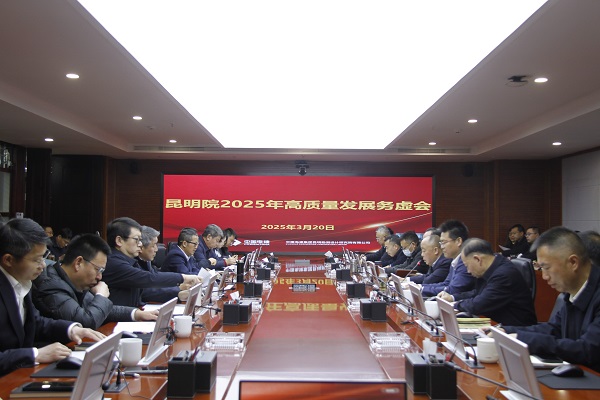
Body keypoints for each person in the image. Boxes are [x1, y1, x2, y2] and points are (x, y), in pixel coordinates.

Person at [0, 218, 105, 377]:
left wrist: (72, 330)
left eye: (44, 257)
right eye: (37, 260)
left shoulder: (21, 281)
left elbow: (34, 322)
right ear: (8, 260)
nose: (43, 265)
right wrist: (35, 354)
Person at [503, 227, 600, 371]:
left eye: (546, 268)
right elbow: (554, 328)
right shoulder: (571, 292)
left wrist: (522, 339)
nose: (544, 276)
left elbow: (588, 350)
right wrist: (506, 331)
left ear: (573, 262)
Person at [32, 234, 158, 329]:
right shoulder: (51, 285)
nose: (100, 277)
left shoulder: (73, 281)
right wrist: (101, 296)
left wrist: (136, 314)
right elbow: (86, 322)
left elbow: (100, 309)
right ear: (78, 263)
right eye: (98, 269)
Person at [101, 217, 200, 307]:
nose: (140, 244)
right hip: (119, 319)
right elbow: (149, 278)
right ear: (119, 241)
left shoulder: (129, 261)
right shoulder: (114, 263)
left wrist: (178, 295)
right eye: (136, 240)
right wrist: (183, 277)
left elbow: (144, 292)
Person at [440, 238, 537, 326]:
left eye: (467, 265)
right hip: (495, 325)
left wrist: (455, 305)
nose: (468, 271)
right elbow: (477, 293)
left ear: (478, 259)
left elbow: (479, 304)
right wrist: (452, 298)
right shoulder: (490, 266)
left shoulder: (503, 274)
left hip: (514, 331)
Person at [420, 220, 475, 297]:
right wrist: (420, 287)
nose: (442, 247)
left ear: (458, 241)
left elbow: (453, 290)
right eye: (441, 243)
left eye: (444, 242)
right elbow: (446, 284)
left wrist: (421, 289)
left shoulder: (466, 262)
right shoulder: (455, 260)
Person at [136, 226, 186, 304]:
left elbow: (156, 282)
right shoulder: (133, 264)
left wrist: (177, 288)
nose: (156, 249)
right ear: (141, 246)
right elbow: (145, 292)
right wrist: (178, 291)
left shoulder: (147, 261)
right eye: (153, 245)